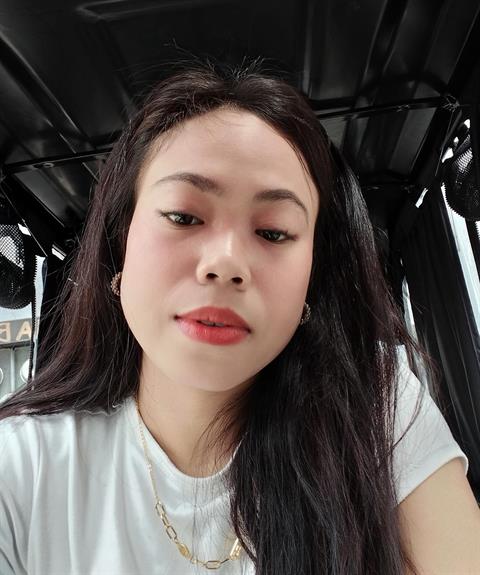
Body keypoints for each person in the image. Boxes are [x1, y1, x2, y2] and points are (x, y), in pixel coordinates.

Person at [0, 57, 478, 575]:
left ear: (312, 276)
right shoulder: (22, 466)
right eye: (183, 216)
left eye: (273, 232)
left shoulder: (375, 401)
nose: (226, 262)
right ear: (121, 245)